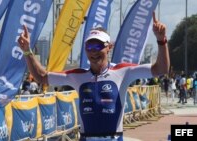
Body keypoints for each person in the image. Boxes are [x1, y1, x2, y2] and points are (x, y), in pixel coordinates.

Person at [18, 13, 169, 141]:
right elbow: (41, 76)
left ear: (109, 47)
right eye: (89, 47)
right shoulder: (77, 76)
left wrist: (161, 41)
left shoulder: (123, 71)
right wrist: (27, 51)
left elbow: (161, 69)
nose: (93, 51)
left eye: (98, 46)